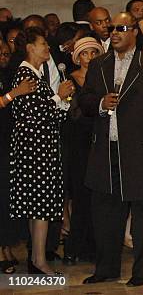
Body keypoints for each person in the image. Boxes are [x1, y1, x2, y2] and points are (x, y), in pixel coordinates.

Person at [80, 12, 143, 287]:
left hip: (142, 152)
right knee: (105, 214)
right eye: (112, 28)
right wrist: (100, 103)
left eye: (121, 28)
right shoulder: (99, 64)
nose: (115, 32)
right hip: (105, 150)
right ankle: (107, 268)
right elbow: (84, 101)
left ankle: (142, 272)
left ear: (134, 31)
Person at [9, 27, 74, 275]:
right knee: (40, 205)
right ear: (30, 47)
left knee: (41, 206)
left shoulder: (37, 75)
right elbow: (32, 114)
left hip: (43, 146)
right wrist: (58, 97)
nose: (47, 48)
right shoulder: (25, 75)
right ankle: (38, 259)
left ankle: (37, 257)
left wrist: (63, 100)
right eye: (43, 44)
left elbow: (52, 114)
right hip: (34, 149)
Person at [62, 37, 104, 265]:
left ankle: (94, 247)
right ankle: (73, 246)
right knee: (80, 197)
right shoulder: (71, 80)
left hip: (99, 143)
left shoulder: (102, 78)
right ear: (77, 57)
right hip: (79, 145)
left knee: (98, 199)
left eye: (93, 53)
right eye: (85, 54)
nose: (89, 58)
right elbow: (74, 115)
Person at [0, 41, 37, 274]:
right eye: (0, 53)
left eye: (6, 53)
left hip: (7, 143)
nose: (4, 57)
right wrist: (14, 94)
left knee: (6, 197)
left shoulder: (9, 73)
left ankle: (6, 246)